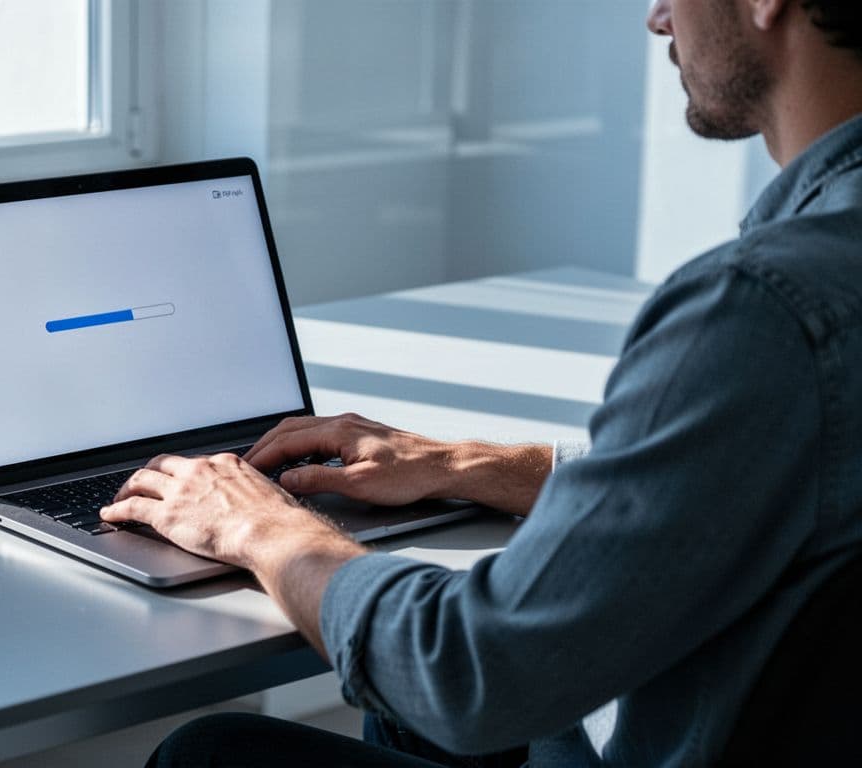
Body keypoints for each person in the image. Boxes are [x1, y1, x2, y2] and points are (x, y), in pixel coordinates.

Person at [98, 0, 862, 765]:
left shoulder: (763, 310)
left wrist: (260, 527)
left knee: (216, 753)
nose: (659, 17)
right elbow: (771, 473)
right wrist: (474, 465)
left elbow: (467, 675)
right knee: (408, 721)